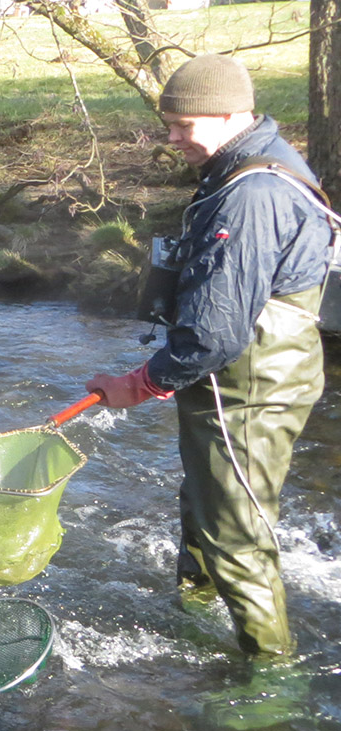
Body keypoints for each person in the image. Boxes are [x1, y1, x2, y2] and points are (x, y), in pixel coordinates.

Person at [85, 54, 335, 659]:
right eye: (168, 124)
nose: (172, 139)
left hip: (248, 389)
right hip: (250, 378)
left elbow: (216, 335)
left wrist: (139, 384)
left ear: (229, 115)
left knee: (236, 537)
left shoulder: (249, 196)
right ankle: (195, 610)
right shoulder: (252, 162)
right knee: (204, 503)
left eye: (184, 127)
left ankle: (271, 681)